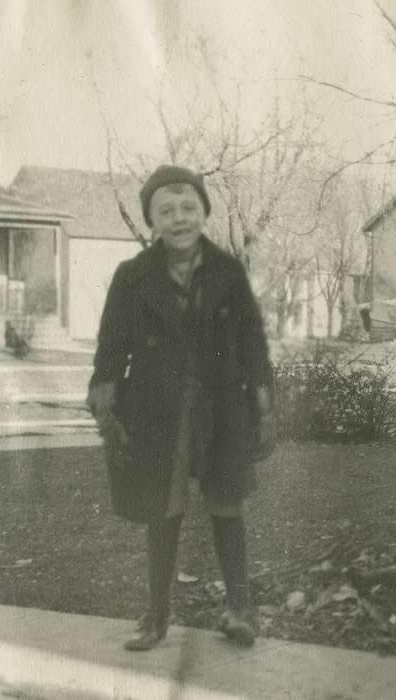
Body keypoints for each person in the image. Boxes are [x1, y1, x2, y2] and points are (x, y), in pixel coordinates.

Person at [86, 164, 275, 651]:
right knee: (162, 511)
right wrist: (106, 399)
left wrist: (262, 399)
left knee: (226, 506)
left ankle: (240, 610)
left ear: (205, 212)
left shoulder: (229, 271)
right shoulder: (131, 278)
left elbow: (252, 341)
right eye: (166, 211)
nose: (179, 219)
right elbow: (111, 347)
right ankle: (157, 617)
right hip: (156, 410)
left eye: (189, 208)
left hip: (223, 410)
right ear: (151, 220)